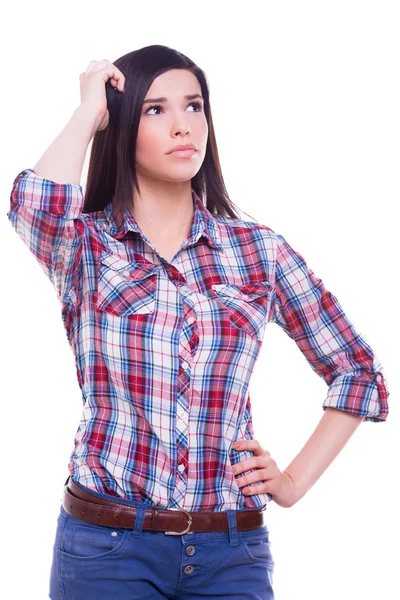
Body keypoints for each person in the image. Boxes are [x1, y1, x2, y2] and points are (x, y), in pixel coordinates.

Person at [7, 45, 389, 600]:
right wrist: (90, 109)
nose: (183, 126)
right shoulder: (87, 247)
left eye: (194, 106)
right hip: (106, 549)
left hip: (231, 554)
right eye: (155, 110)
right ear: (120, 126)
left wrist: (290, 484)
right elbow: (33, 205)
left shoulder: (258, 251)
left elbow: (358, 372)